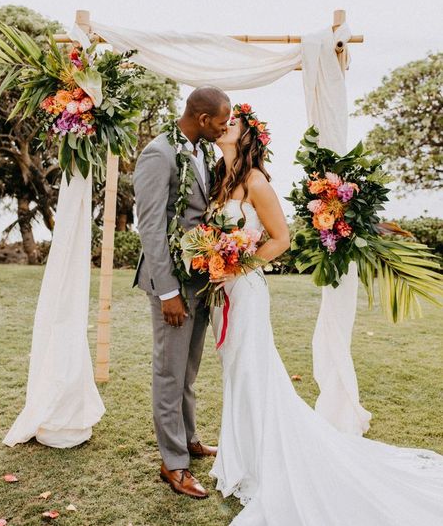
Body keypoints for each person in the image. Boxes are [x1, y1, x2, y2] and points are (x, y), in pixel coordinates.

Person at [209, 104, 443, 525]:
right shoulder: (221, 179)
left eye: (234, 121)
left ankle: (262, 463)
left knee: (250, 372)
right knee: (235, 372)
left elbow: (280, 239)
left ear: (248, 136)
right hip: (223, 290)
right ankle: (240, 457)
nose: (225, 124)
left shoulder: (256, 181)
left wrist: (235, 267)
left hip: (245, 289)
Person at [133, 85, 231, 499]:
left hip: (200, 276)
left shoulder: (202, 150)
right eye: (222, 122)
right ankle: (173, 464)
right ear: (204, 119)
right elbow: (151, 226)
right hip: (171, 282)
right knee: (169, 373)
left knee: (188, 370)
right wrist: (168, 291)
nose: (225, 129)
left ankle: (189, 438)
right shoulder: (159, 153)